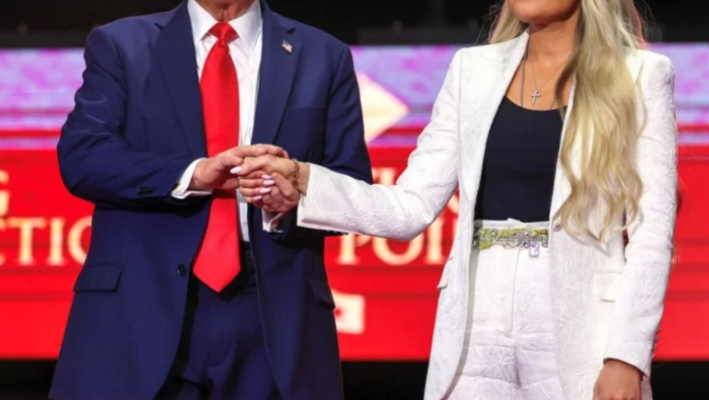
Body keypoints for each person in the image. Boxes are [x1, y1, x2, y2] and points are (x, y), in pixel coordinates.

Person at [236, 0, 678, 399]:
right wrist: (305, 178)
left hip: (583, 330)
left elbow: (652, 234)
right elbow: (409, 207)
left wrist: (626, 356)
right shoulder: (473, 70)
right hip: (474, 327)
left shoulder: (640, 75)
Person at [50, 0, 372, 399]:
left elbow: (352, 187)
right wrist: (195, 174)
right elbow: (84, 158)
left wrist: (295, 200)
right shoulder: (121, 44)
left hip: (273, 313)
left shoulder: (323, 54)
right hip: (140, 301)